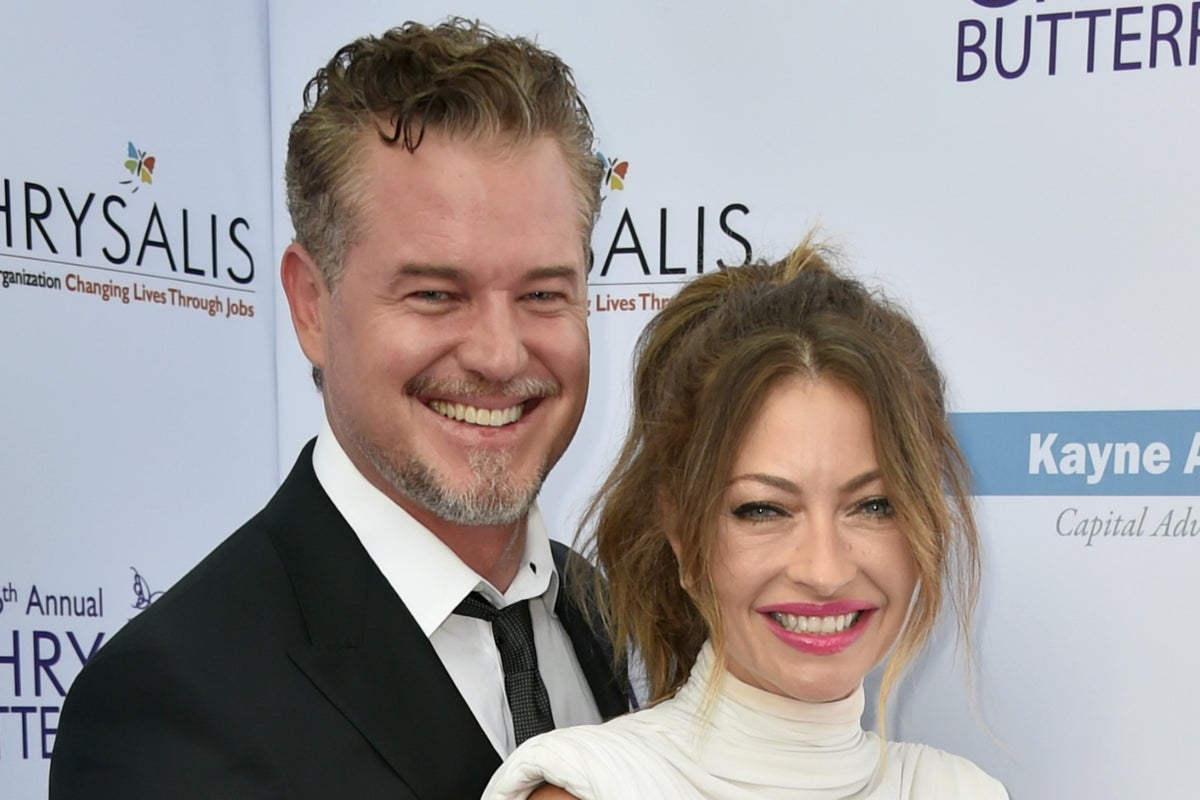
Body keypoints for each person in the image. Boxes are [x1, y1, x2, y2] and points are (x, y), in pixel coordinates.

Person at [49, 18, 627, 799]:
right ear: (311, 305)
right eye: (435, 294)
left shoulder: (603, 616)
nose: (499, 355)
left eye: (543, 294)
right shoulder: (168, 704)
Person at [483, 237, 1009, 799]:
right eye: (764, 510)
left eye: (874, 506)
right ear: (681, 531)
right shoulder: (594, 788)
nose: (826, 571)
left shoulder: (960, 791)